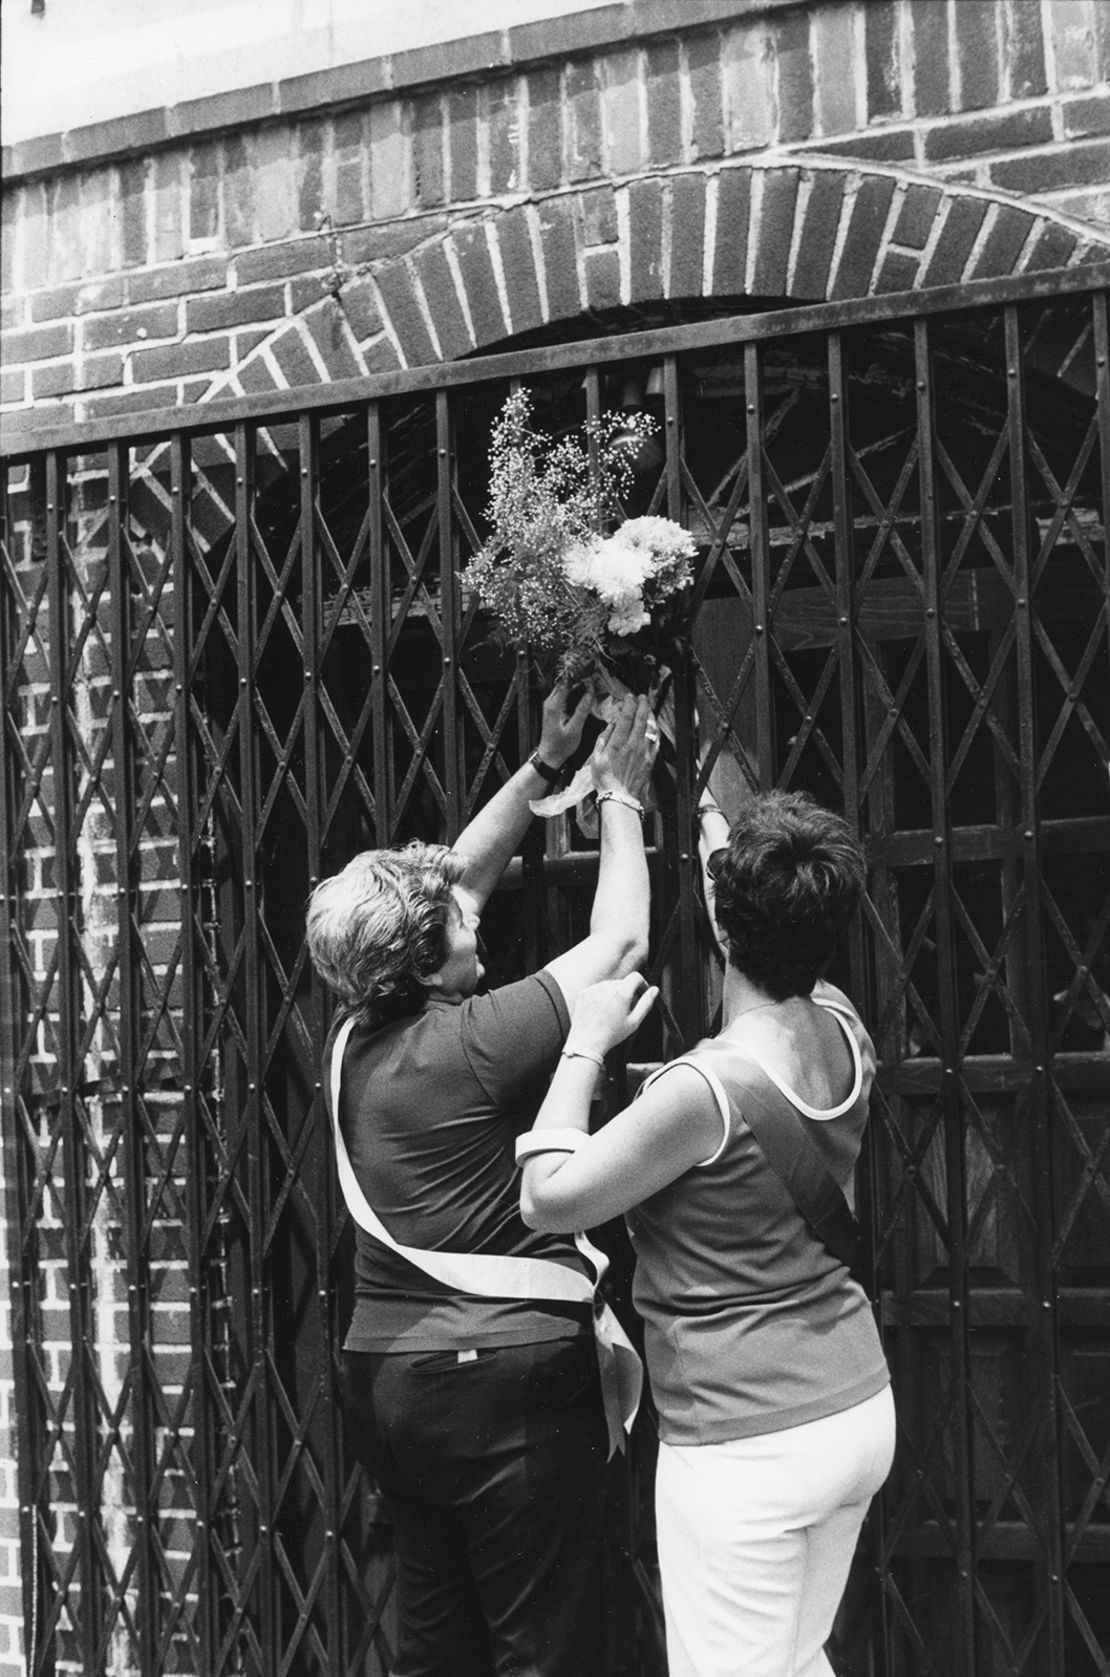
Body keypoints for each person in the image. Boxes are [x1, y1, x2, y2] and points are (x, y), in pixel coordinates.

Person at [305, 684, 656, 1677]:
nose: (474, 916)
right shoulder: (475, 1042)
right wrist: (620, 793)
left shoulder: (353, 1036)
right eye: (455, 921)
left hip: (389, 1386)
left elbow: (454, 882)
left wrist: (546, 767)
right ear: (428, 954)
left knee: (438, 1648)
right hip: (501, 1386)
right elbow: (621, 944)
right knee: (543, 1652)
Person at [518, 788, 894, 1677]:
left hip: (744, 1437)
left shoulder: (702, 1092)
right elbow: (766, 922)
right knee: (799, 1661)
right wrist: (703, 806)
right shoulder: (843, 1025)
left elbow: (548, 1195)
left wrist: (585, 1041)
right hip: (852, 1405)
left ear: (722, 927)